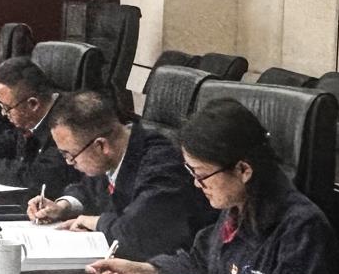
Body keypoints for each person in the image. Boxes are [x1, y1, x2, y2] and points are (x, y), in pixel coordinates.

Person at [83, 98, 339, 274]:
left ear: (243, 170)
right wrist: (145, 270)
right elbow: (202, 262)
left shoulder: (301, 228)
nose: (197, 185)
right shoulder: (239, 205)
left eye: (201, 175)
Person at [28, 89, 212, 260]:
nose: (69, 162)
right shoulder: (115, 152)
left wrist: (96, 222)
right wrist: (63, 206)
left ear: (101, 146)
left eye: (70, 155)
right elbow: (88, 188)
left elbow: (136, 233)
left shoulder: (161, 165)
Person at [0, 57, 71, 196]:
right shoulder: (30, 119)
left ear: (33, 104)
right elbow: (12, 138)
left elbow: (42, 174)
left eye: (7, 108)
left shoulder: (68, 122)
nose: (3, 113)